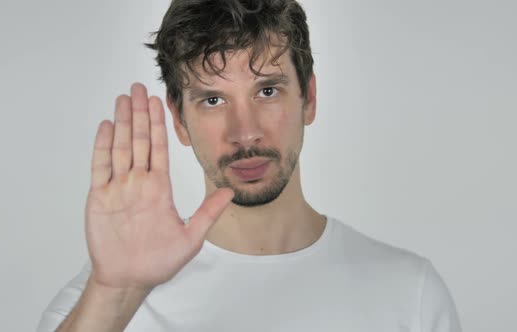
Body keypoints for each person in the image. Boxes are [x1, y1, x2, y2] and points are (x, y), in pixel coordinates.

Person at [37, 0, 462, 331]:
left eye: (267, 91)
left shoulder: (410, 295)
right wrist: (117, 296)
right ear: (180, 120)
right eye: (213, 100)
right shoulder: (109, 296)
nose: (245, 133)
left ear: (308, 98)